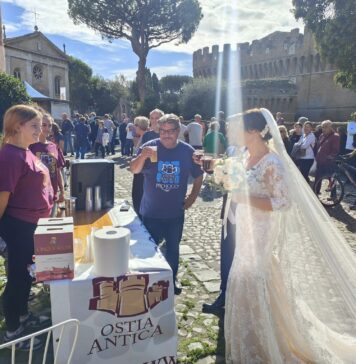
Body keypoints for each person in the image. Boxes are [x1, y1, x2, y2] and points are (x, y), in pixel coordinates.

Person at [224, 108, 356, 363]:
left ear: (252, 132)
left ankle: (268, 339)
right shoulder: (244, 155)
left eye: (235, 128)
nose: (230, 133)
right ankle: (251, 332)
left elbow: (283, 203)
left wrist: (246, 198)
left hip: (262, 229)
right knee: (245, 274)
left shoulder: (272, 162)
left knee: (255, 274)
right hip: (245, 227)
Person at [130, 114, 203, 295]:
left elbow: (199, 175)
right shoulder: (149, 147)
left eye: (170, 131)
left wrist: (192, 198)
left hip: (175, 212)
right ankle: (151, 281)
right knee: (149, 250)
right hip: (151, 211)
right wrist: (142, 157)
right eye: (162, 131)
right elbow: (134, 169)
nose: (166, 135)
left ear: (178, 131)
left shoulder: (186, 151)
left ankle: (172, 278)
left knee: (173, 249)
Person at [0, 105, 53, 349]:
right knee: (17, 278)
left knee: (26, 276)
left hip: (32, 226)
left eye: (41, 125)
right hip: (18, 227)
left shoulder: (26, 151)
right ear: (17, 126)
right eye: (34, 125)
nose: (40, 130)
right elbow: (2, 198)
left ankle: (22, 315)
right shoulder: (10, 155)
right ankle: (13, 333)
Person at [30, 113, 65, 215]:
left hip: (52, 195)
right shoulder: (29, 146)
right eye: (44, 125)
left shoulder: (54, 147)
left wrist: (62, 191)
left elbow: (58, 171)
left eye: (50, 125)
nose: (47, 128)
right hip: (34, 198)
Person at [314, 120, 340, 193]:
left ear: (331, 127)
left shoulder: (335, 136)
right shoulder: (322, 135)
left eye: (325, 127)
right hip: (320, 161)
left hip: (329, 162)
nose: (323, 129)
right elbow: (318, 146)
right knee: (317, 178)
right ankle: (316, 192)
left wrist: (329, 157)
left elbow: (335, 149)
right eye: (322, 127)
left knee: (331, 179)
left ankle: (333, 194)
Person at [131, 116, 150, 218]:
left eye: (135, 125)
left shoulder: (146, 137)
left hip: (142, 172)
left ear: (139, 126)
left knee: (138, 195)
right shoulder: (142, 137)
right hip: (139, 170)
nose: (134, 127)